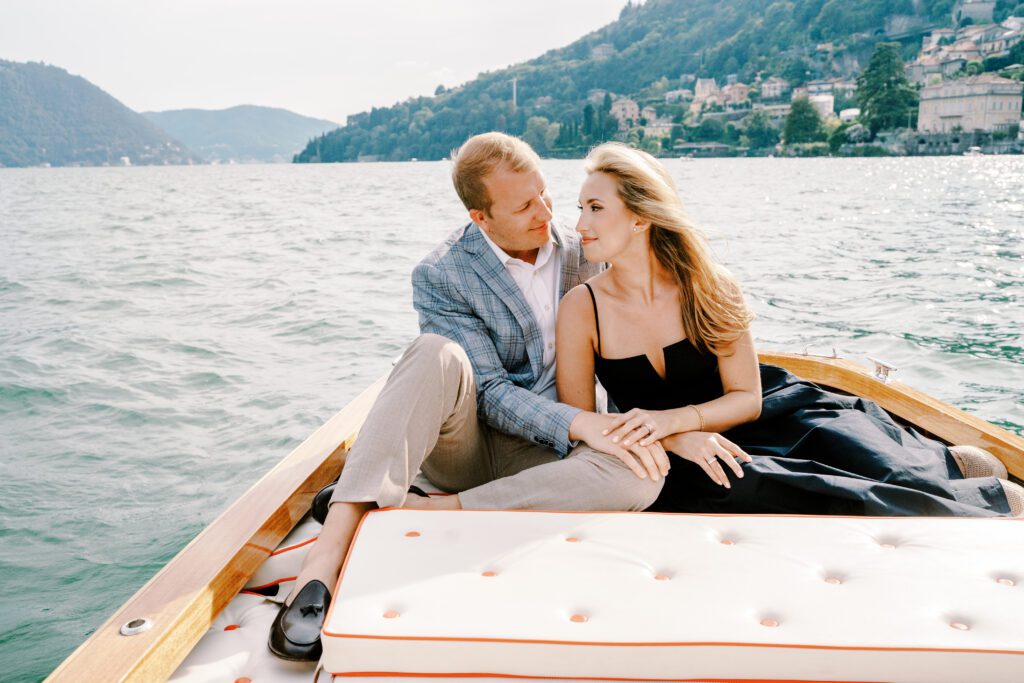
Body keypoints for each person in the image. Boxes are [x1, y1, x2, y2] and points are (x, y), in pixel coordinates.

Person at [268, 133, 669, 661]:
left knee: (644, 472)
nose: (546, 213)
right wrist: (580, 424)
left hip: (553, 459)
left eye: (545, 194)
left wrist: (669, 426)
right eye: (524, 205)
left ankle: (425, 509)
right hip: (471, 444)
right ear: (481, 218)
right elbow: (494, 394)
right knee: (432, 352)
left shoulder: (586, 249)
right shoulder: (442, 273)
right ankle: (323, 563)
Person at [556, 142, 1023, 519]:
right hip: (681, 452)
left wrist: (672, 421)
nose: (580, 225)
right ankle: (967, 481)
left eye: (596, 208)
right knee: (809, 492)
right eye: (580, 207)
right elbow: (580, 425)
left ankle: (964, 472)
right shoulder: (583, 307)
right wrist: (672, 438)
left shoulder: (710, 286)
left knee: (875, 463)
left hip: (768, 415)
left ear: (641, 216)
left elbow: (746, 397)